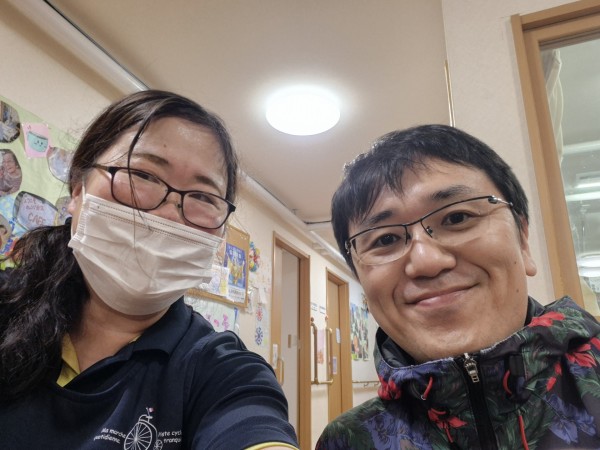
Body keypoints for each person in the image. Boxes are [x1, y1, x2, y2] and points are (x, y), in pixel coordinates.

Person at [0, 90, 298, 450]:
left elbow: (250, 424)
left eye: (203, 197)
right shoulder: (8, 305)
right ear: (78, 190)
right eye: (142, 174)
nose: (170, 215)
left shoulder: (221, 369)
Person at [316, 124, 600, 449]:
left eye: (457, 218)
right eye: (386, 239)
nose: (426, 262)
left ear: (522, 239)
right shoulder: (346, 441)